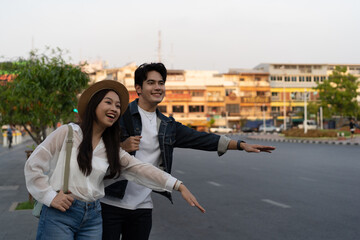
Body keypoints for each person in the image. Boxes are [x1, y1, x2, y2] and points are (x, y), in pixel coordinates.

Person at [101, 63, 276, 240]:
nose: (157, 87)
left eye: (161, 83)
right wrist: (121, 148)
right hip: (109, 203)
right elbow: (94, 148)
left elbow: (201, 139)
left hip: (142, 207)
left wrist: (240, 145)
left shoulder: (168, 126)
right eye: (151, 83)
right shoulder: (119, 115)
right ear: (138, 88)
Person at [24, 80, 204, 240]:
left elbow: (142, 169)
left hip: (93, 218)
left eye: (118, 106)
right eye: (108, 102)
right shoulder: (68, 133)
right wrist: (50, 196)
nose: (114, 109)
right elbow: (33, 165)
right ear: (94, 105)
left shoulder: (112, 150)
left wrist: (178, 185)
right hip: (60, 215)